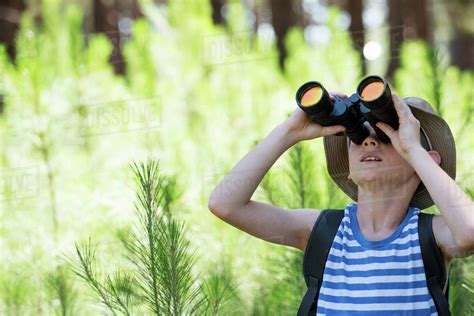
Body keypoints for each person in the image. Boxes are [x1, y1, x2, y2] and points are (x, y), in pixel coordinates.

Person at [208, 92, 474, 314]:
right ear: (348, 167)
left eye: (387, 136)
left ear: (427, 161)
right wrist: (289, 131)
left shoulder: (430, 235)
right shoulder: (325, 231)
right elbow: (226, 204)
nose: (368, 141)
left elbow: (470, 232)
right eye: (358, 137)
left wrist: (413, 149)